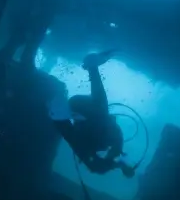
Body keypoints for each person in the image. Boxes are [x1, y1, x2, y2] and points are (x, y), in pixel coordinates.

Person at [49, 50, 135, 178]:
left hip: (78, 107)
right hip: (80, 108)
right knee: (101, 112)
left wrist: (119, 165)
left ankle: (92, 67)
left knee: (100, 111)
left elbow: (101, 163)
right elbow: (105, 160)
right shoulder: (104, 141)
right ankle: (92, 67)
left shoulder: (87, 145)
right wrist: (119, 165)